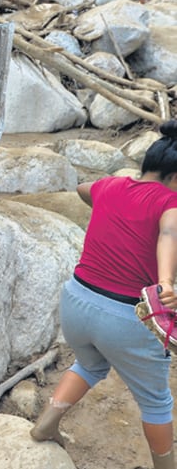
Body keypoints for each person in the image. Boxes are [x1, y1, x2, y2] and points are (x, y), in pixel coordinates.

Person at [30, 119, 177, 469]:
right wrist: (167, 282)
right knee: (157, 401)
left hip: (76, 302)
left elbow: (83, 188)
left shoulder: (110, 187)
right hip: (127, 318)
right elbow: (168, 235)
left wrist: (106, 200)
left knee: (90, 363)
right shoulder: (170, 202)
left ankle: (47, 422)